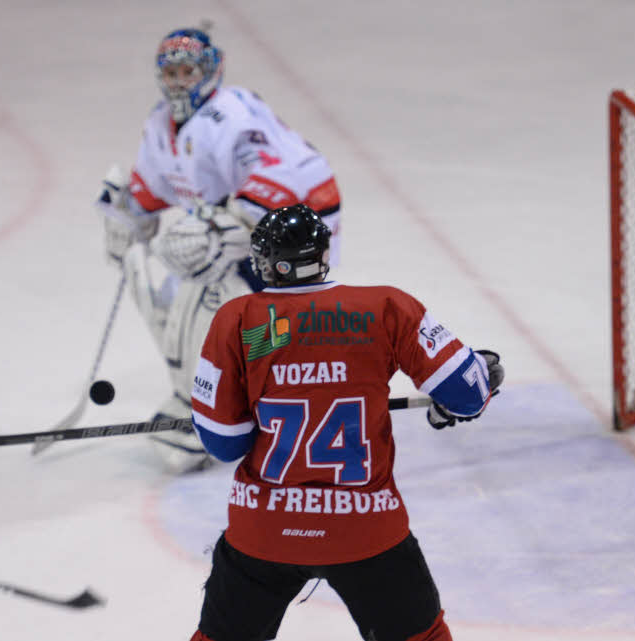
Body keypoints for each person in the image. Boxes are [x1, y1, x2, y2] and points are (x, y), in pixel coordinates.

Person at [187, 204, 505, 641]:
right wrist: (476, 377)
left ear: (266, 263)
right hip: (366, 531)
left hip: (263, 529)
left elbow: (224, 443)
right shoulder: (385, 307)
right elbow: (468, 396)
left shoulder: (241, 321)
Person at [94, 27, 342, 472]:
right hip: (232, 229)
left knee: (243, 318)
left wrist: (228, 227)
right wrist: (127, 215)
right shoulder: (160, 123)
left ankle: (258, 399)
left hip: (296, 225)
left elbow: (289, 176)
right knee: (170, 304)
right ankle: (202, 396)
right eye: (170, 71)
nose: (178, 81)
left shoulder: (233, 114)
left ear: (211, 69)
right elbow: (152, 189)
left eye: (188, 70)